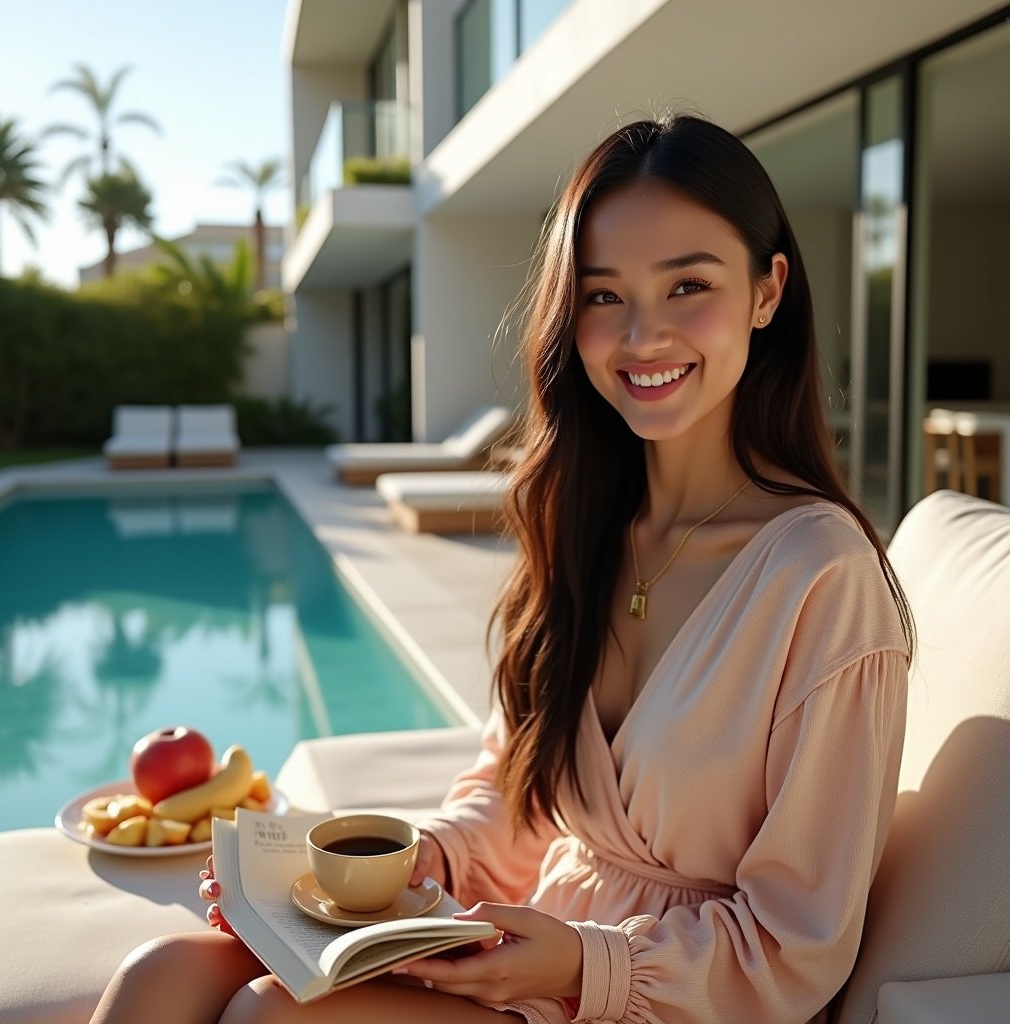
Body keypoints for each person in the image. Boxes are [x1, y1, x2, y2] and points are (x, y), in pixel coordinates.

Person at [88, 113, 913, 1024]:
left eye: (688, 285)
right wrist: (420, 865)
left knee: (270, 1016)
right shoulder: (588, 527)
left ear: (768, 291)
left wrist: (583, 964)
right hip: (527, 953)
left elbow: (801, 943)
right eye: (604, 296)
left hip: (668, 999)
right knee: (158, 973)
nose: (643, 335)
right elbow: (511, 794)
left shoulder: (823, 579)